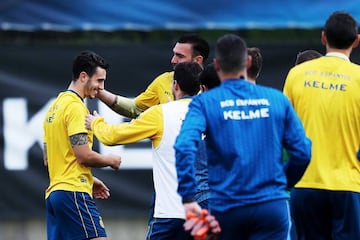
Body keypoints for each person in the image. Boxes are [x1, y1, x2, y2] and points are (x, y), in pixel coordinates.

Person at [174, 33, 312, 239]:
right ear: (247, 62)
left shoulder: (205, 102)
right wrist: (282, 183)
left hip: (227, 207)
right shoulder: (276, 100)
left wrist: (187, 197)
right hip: (271, 205)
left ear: (217, 64)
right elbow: (302, 151)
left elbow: (184, 146)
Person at [85, 62, 206, 240]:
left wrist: (96, 123)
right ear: (201, 87)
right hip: (204, 212)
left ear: (175, 85)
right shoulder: (210, 114)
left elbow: (112, 136)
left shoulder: (160, 114)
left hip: (170, 214)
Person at [283, 11, 360, 239]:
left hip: (305, 184)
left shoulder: (296, 74)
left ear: (323, 37)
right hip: (348, 185)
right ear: (356, 40)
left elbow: (283, 130)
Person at [43, 50, 122, 240]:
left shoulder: (55, 107)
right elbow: (83, 155)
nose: (101, 87)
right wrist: (110, 160)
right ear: (83, 76)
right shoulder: (76, 107)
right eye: (99, 81)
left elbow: (49, 159)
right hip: (73, 193)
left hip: (55, 195)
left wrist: (90, 179)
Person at [97, 34, 210, 119]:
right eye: (174, 54)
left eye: (180, 56)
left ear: (198, 60)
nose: (173, 60)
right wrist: (99, 92)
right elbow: (135, 109)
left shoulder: (216, 84)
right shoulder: (164, 80)